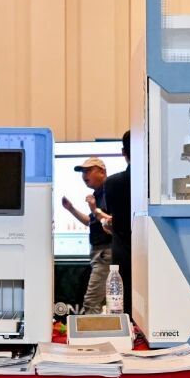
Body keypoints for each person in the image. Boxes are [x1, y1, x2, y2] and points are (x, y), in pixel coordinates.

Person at [61, 158, 111, 313]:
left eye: (88, 170)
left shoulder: (110, 191)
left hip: (106, 252)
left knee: (91, 302)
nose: (84, 175)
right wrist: (71, 209)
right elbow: (92, 222)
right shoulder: (99, 193)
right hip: (100, 252)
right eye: (82, 172)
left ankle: (93, 330)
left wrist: (94, 209)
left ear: (102, 171)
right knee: (104, 303)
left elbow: (110, 222)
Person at [100, 132, 132, 314]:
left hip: (123, 255)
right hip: (154, 255)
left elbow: (115, 217)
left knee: (124, 310)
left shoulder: (112, 183)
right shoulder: (155, 183)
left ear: (123, 152)